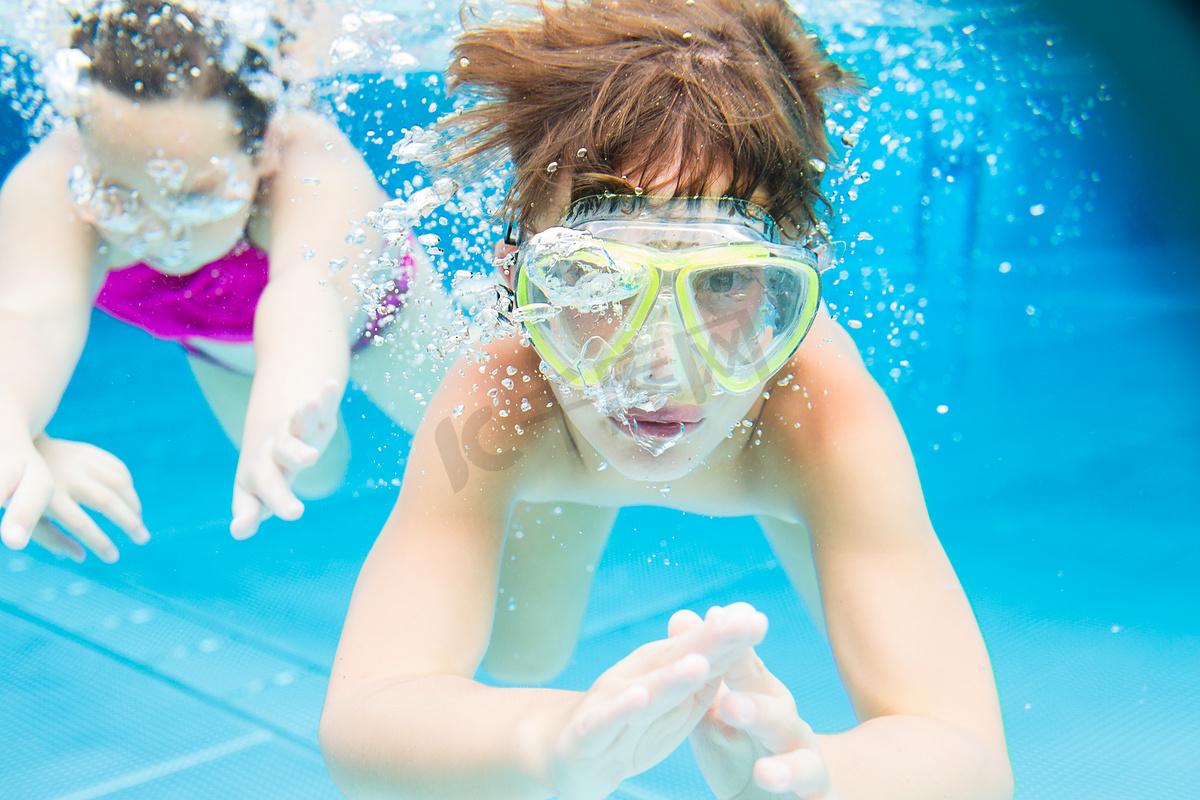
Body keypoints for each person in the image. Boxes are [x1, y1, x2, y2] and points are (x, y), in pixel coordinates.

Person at [319, 1, 1014, 798]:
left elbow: (971, 759)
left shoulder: (820, 418)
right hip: (565, 435)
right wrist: (547, 745)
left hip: (687, 438)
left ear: (792, 290)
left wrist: (821, 782)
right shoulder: (496, 403)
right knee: (525, 662)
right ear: (515, 282)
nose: (660, 364)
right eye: (595, 280)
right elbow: (365, 716)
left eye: (722, 282)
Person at [0, 0, 448, 562]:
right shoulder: (59, 184)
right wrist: (13, 434)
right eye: (117, 196)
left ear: (263, 147)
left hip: (389, 324)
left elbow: (308, 295)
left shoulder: (310, 164)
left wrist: (285, 394)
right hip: (229, 357)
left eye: (195, 197)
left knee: (487, 453)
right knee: (311, 477)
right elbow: (29, 319)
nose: (157, 232)